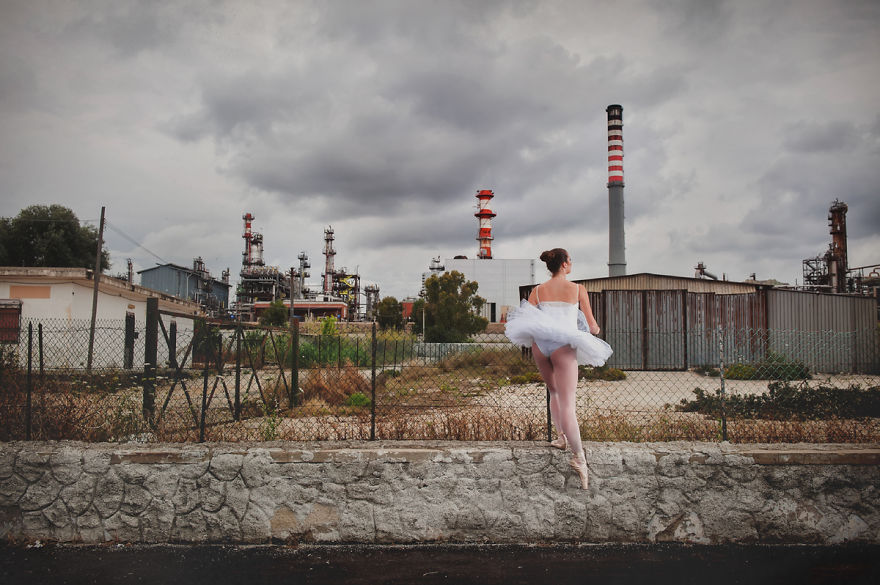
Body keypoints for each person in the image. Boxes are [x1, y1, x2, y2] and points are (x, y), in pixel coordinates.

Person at [504, 248, 613, 490]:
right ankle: (579, 458)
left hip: (540, 346)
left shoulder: (538, 290)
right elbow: (593, 327)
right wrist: (589, 329)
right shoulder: (577, 289)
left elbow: (525, 317)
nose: (571, 263)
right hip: (563, 346)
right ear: (564, 265)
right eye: (570, 260)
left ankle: (562, 438)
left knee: (554, 392)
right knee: (568, 402)